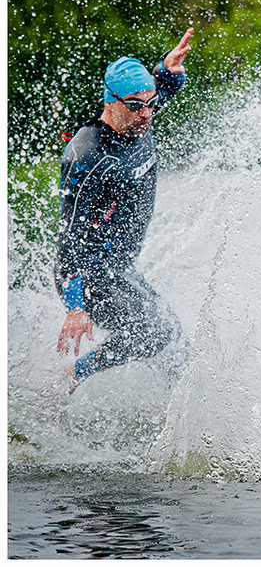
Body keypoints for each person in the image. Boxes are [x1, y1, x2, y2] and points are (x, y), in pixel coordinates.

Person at [55, 29, 195, 391]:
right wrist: (76, 307)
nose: (147, 113)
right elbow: (69, 242)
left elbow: (159, 92)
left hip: (120, 267)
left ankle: (179, 422)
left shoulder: (139, 116)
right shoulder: (86, 156)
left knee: (174, 339)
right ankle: (69, 378)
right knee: (155, 331)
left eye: (150, 103)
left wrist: (166, 67)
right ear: (111, 102)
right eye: (136, 105)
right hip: (86, 274)